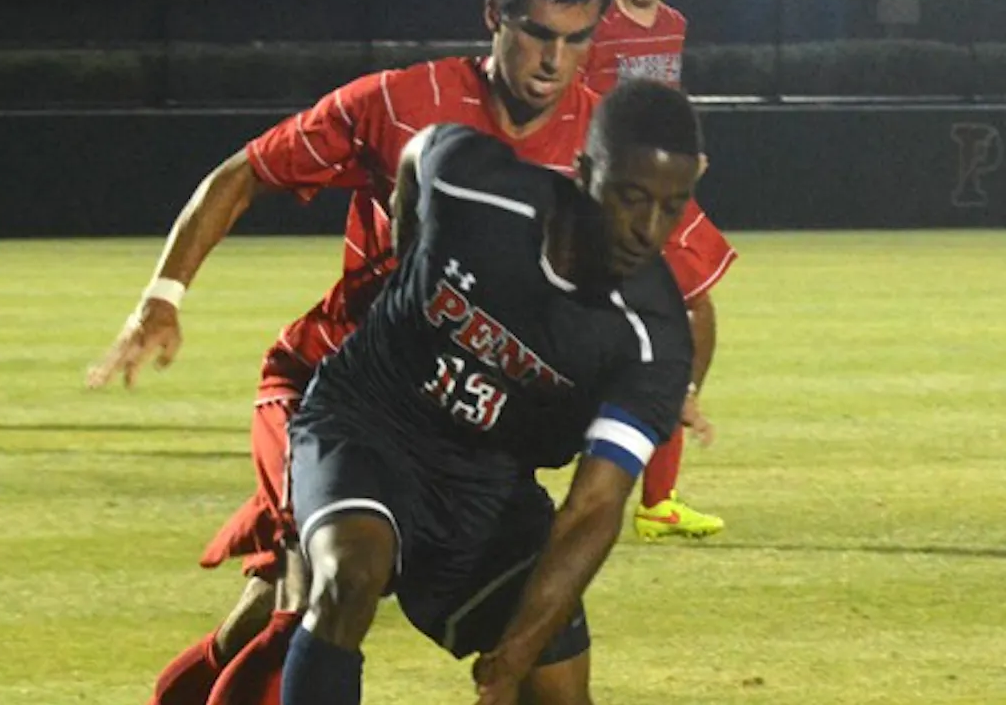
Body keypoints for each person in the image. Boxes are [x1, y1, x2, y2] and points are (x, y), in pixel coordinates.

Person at [88, 0, 727, 705]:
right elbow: (247, 172)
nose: (552, 62)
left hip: (474, 432)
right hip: (338, 382)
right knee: (317, 592)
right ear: (495, 14)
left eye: (576, 40)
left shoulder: (611, 147)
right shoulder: (404, 103)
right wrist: (162, 296)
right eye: (537, 34)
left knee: (282, 608)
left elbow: (692, 292)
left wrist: (672, 389)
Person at [282, 80, 702, 705]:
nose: (648, 229)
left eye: (671, 208)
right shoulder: (476, 185)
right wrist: (408, 260)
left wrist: (513, 660)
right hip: (369, 417)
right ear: (585, 172)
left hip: (490, 488)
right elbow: (416, 158)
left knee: (559, 693)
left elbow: (594, 507)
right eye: (632, 198)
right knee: (351, 575)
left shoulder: (652, 336)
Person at [584, 0, 736, 540]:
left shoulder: (673, 23)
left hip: (659, 190)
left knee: (683, 319)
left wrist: (684, 150)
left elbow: (667, 100)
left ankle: (659, 497)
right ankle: (657, 486)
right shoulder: (594, 24)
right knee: (680, 321)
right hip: (616, 195)